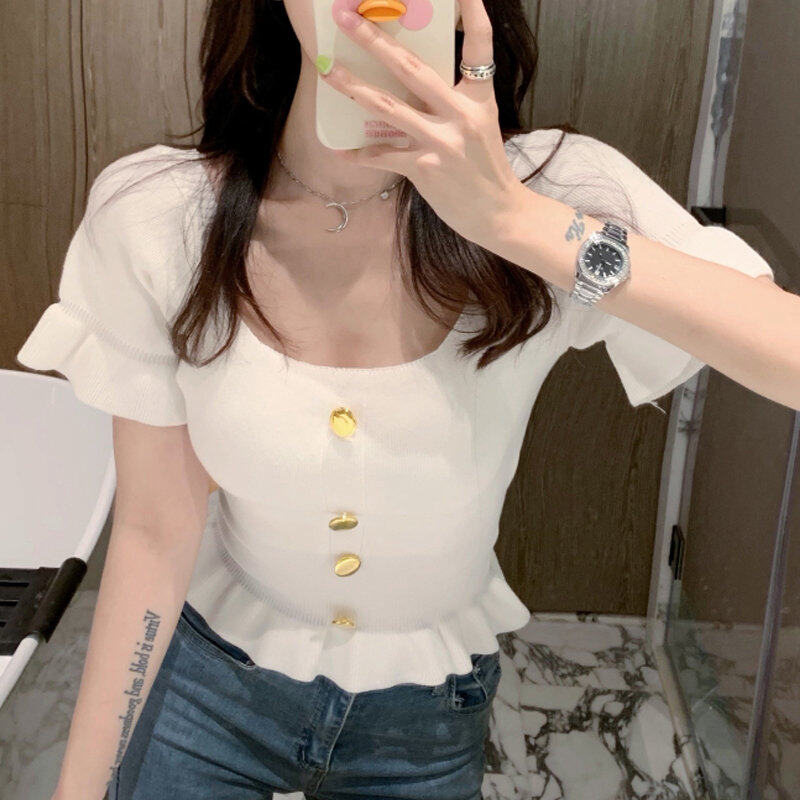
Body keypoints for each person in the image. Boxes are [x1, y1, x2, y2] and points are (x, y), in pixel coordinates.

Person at [17, 0, 793, 798]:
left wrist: (515, 219)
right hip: (208, 685)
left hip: (424, 720)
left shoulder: (554, 190)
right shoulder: (161, 216)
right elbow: (152, 532)